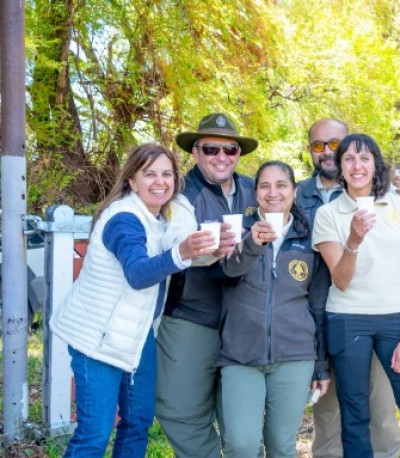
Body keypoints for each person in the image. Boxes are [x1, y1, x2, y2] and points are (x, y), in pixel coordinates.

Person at [49, 144, 216, 457]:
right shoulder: (124, 219)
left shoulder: (160, 217)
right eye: (149, 173)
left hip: (136, 336)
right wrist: (182, 253)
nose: (160, 181)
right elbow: (138, 274)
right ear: (132, 181)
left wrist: (206, 250)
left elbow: (174, 247)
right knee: (94, 435)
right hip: (95, 339)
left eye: (167, 174)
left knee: (138, 422)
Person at [312, 133, 400, 457]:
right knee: (355, 416)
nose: (357, 165)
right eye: (349, 159)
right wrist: (353, 240)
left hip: (396, 320)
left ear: (375, 164)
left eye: (365, 158)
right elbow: (340, 280)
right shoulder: (328, 214)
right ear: (339, 167)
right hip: (347, 320)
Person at [296, 119, 400, 458]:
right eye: (317, 145)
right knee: (329, 414)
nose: (326, 151)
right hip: (318, 316)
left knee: (381, 409)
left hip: (371, 313)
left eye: (334, 144)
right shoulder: (296, 195)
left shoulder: (384, 197)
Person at [156, 112, 258, 457]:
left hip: (245, 319)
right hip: (191, 318)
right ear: (196, 152)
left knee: (241, 421)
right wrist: (205, 248)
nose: (221, 157)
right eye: (211, 149)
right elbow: (176, 240)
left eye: (230, 150)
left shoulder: (254, 190)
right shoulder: (180, 194)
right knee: (180, 409)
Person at [216, 161, 330, 457]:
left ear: (294, 191)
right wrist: (253, 242)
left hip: (295, 355)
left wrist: (320, 364)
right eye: (265, 185)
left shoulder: (309, 237)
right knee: (241, 445)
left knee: (281, 446)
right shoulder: (237, 230)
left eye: (281, 185)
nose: (273, 192)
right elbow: (228, 272)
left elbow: (317, 304)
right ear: (255, 194)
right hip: (240, 355)